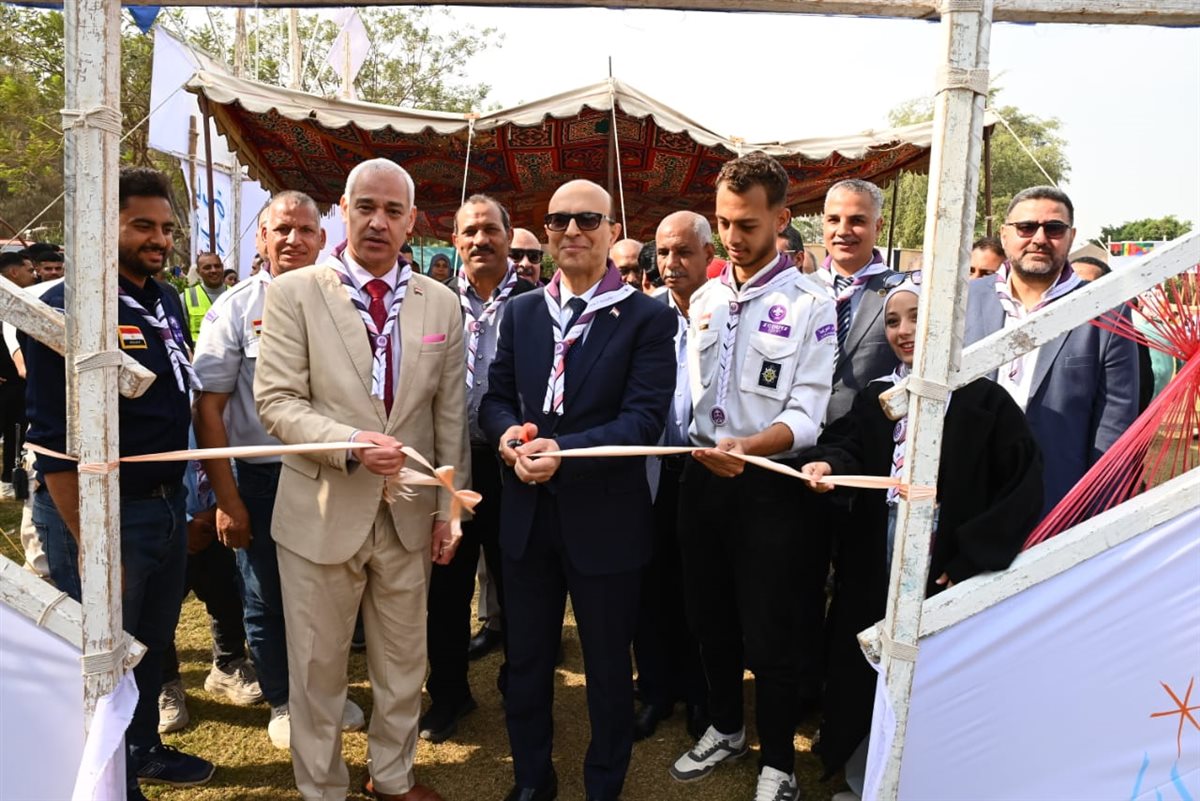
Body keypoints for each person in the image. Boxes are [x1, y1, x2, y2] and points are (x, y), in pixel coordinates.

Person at [254, 158, 466, 801]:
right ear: (342, 212)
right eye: (366, 207)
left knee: (404, 662)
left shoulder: (440, 302)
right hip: (320, 512)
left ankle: (393, 777)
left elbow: (449, 417)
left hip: (408, 515)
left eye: (392, 211)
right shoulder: (293, 292)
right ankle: (322, 787)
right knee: (317, 667)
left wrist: (449, 511)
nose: (378, 222)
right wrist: (348, 444)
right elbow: (277, 402)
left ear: (412, 221)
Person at [797, 279, 1043, 798]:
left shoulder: (983, 399)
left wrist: (971, 554)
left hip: (943, 554)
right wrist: (828, 465)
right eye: (892, 321)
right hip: (876, 552)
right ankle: (865, 775)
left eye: (916, 317)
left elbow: (1020, 483)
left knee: (938, 665)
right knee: (871, 659)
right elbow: (848, 446)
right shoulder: (876, 396)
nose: (904, 331)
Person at [479, 179, 676, 801]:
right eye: (558, 219)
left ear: (613, 231)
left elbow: (643, 421)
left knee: (609, 669)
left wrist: (561, 453)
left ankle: (602, 787)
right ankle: (531, 781)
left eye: (588, 219)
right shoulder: (522, 311)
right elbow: (495, 397)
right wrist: (508, 435)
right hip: (527, 517)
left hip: (606, 520)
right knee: (526, 663)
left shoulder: (649, 317)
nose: (571, 230)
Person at [24, 166, 214, 799]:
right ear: (103, 226)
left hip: (163, 504)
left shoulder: (162, 298)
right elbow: (52, 444)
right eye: (142, 226)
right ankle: (104, 783)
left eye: (166, 228)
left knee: (150, 646)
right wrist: (92, 544)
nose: (159, 239)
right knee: (100, 662)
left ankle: (141, 752)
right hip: (102, 515)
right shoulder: (66, 310)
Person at [670, 152, 835, 801]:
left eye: (747, 224)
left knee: (771, 631)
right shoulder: (706, 297)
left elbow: (809, 411)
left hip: (768, 482)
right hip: (701, 478)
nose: (733, 238)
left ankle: (779, 763)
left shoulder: (811, 302)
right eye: (724, 223)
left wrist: (750, 447)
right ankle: (726, 727)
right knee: (708, 617)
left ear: (781, 219)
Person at [192, 190, 368, 751]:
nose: (294, 239)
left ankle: (324, 693)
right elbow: (209, 409)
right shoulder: (235, 309)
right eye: (282, 229)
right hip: (264, 478)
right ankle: (286, 700)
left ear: (323, 238)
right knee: (267, 595)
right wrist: (227, 500)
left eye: (306, 229)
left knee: (329, 593)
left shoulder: (345, 299)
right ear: (262, 237)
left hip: (334, 472)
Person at [422, 194, 537, 743]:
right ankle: (449, 695)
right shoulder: (431, 302)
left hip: (513, 464)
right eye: (469, 231)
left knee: (518, 582)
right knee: (445, 586)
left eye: (491, 229)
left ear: (508, 237)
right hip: (450, 462)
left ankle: (522, 688)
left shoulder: (538, 303)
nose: (480, 240)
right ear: (454, 240)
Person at [964, 185, 1139, 518]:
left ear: (1071, 237)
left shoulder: (1106, 311)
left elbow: (1113, 430)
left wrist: (1093, 518)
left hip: (1056, 505)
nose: (1040, 238)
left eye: (1054, 228)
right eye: (1026, 227)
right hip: (967, 497)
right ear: (1004, 234)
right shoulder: (963, 300)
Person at [631, 211, 713, 743]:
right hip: (653, 471)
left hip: (709, 470)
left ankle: (703, 695)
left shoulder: (727, 311)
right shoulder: (642, 316)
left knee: (702, 588)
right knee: (651, 586)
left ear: (709, 255)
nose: (671, 263)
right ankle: (656, 690)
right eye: (663, 253)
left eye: (683, 252)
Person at [180, 252, 227, 340]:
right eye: (207, 268)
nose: (213, 270)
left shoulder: (237, 295)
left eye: (217, 266)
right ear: (198, 271)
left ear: (222, 268)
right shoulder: (185, 298)